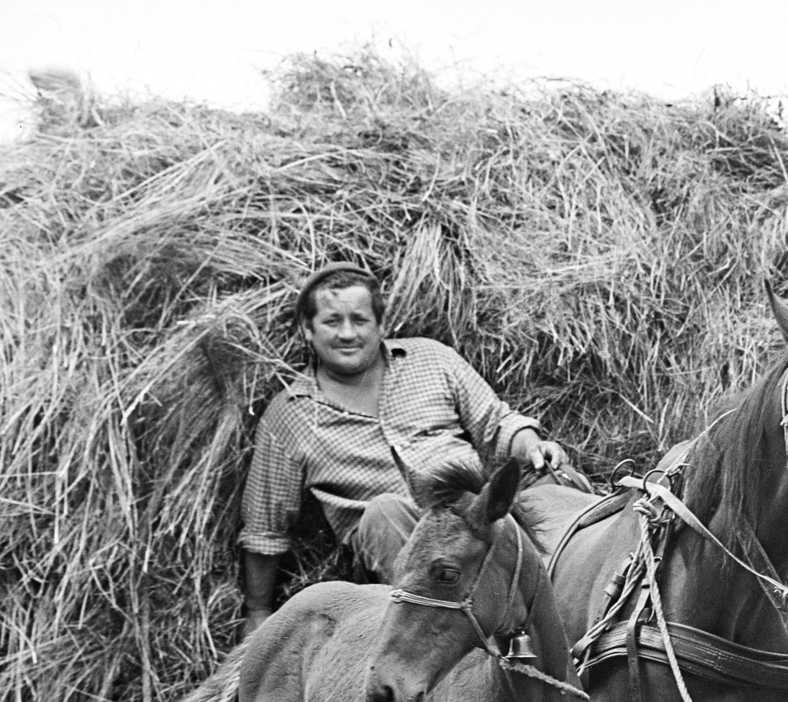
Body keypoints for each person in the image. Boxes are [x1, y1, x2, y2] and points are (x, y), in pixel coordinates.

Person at [238, 263, 573, 635]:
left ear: (380, 324)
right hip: (400, 538)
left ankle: (591, 600)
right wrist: (258, 610)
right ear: (308, 329)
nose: (347, 333)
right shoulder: (291, 414)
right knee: (383, 511)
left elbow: (497, 424)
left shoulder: (432, 360)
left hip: (475, 513)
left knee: (553, 474)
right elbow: (264, 527)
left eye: (360, 320)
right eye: (332, 321)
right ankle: (439, 632)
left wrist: (531, 446)